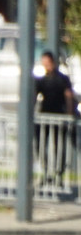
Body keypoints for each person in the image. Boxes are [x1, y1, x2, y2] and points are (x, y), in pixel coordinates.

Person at [34, 51, 74, 185]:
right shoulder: (42, 80)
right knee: (40, 145)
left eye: (48, 63)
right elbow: (34, 95)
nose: (46, 66)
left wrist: (69, 114)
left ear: (53, 62)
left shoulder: (62, 79)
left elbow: (68, 96)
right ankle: (45, 172)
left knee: (59, 146)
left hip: (59, 115)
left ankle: (58, 174)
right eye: (44, 63)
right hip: (44, 116)